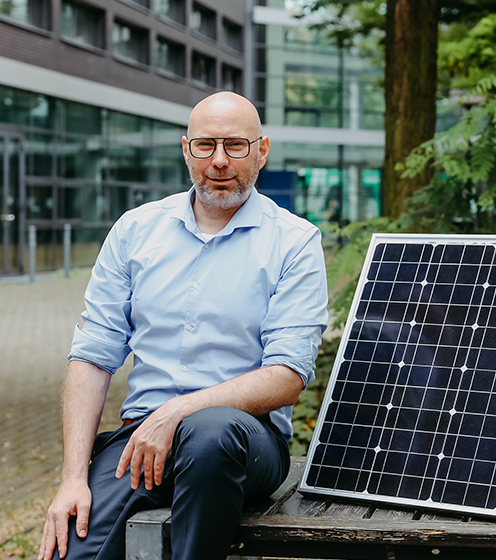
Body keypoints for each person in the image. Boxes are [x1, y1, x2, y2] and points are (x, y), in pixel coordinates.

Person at [37, 92, 328, 560]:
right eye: (205, 146)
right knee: (73, 549)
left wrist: (176, 412)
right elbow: (93, 355)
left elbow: (287, 377)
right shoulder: (135, 231)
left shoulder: (294, 242)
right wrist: (72, 478)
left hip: (244, 441)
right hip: (141, 441)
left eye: (235, 145)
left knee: (210, 432)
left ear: (262, 150)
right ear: (186, 149)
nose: (218, 161)